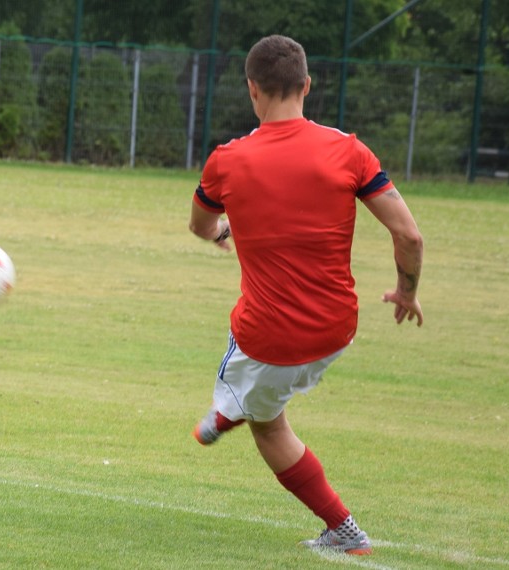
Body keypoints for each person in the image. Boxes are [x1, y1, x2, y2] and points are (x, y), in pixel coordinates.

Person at [188, 35, 423, 556]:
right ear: (307, 86)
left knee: (267, 423)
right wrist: (406, 293)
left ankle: (343, 529)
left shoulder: (227, 160)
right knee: (259, 384)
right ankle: (233, 406)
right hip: (337, 329)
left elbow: (201, 225)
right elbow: (409, 235)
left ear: (252, 89)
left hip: (268, 338)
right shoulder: (349, 149)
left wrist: (223, 232)